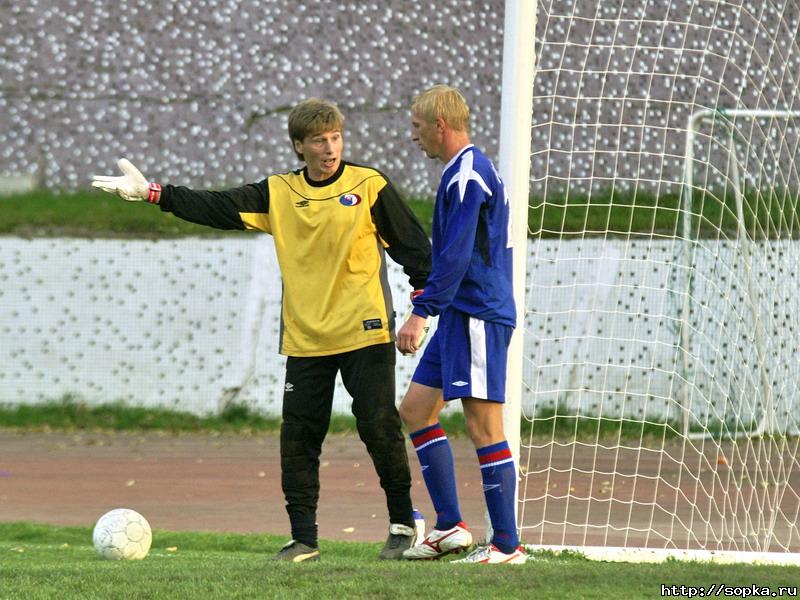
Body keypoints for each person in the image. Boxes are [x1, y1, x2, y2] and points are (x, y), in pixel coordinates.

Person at [92, 98, 432, 562]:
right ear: (299, 146)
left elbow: (416, 251)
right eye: (319, 140)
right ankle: (304, 539)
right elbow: (216, 205)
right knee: (298, 438)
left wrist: (419, 311)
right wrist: (155, 193)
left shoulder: (369, 186)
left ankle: (401, 523)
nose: (330, 148)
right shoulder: (278, 194)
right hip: (307, 338)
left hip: (366, 331)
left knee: (377, 426)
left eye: (335, 137)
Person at [395, 85, 527, 564]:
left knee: (484, 425)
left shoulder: (469, 175)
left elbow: (455, 254)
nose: (413, 137)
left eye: (416, 126)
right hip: (457, 310)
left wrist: (421, 311)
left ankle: (507, 546)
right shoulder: (460, 171)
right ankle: (450, 526)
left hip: (476, 313)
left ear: (439, 126)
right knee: (415, 409)